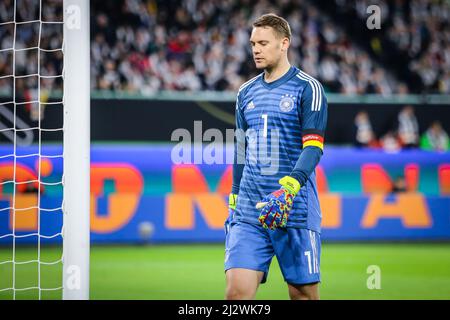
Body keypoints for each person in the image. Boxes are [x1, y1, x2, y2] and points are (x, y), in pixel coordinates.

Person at [225, 13, 328, 300]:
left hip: (293, 210)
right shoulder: (245, 92)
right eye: (252, 43)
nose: (255, 49)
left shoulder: (309, 88)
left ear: (284, 44)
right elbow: (241, 149)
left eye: (263, 43)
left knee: (303, 296)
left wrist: (289, 189)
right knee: (236, 295)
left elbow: (313, 147)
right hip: (250, 211)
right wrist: (234, 197)